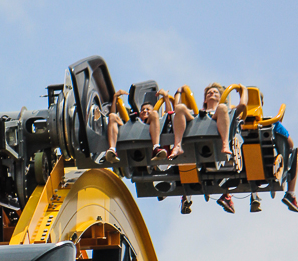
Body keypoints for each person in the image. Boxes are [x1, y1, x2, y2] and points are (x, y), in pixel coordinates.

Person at [170, 83, 248, 214]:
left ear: (221, 97)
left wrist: (243, 90)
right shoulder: (198, 114)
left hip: (216, 141)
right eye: (209, 93)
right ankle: (178, 146)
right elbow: (176, 109)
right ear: (205, 99)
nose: (212, 94)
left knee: (222, 108)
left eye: (216, 92)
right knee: (180, 108)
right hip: (196, 139)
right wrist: (178, 93)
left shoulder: (226, 111)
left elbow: (243, 106)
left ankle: (225, 144)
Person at [105, 89, 169, 164]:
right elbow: (112, 116)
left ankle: (156, 148)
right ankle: (112, 150)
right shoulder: (134, 120)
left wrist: (166, 97)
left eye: (148, 109)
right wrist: (115, 97)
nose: (145, 111)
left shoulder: (155, 118)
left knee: (154, 114)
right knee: (112, 116)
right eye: (142, 110)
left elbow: (168, 116)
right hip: (128, 133)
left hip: (150, 130)